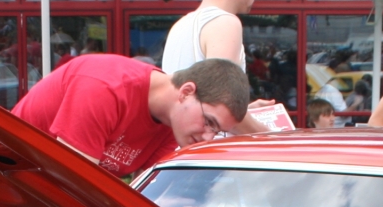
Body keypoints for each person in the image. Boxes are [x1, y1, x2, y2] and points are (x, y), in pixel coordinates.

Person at [13, 55, 250, 178]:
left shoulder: (173, 126)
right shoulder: (106, 88)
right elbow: (74, 189)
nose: (208, 137)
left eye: (217, 132)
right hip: (6, 181)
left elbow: (142, 197)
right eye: (209, 122)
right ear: (186, 92)